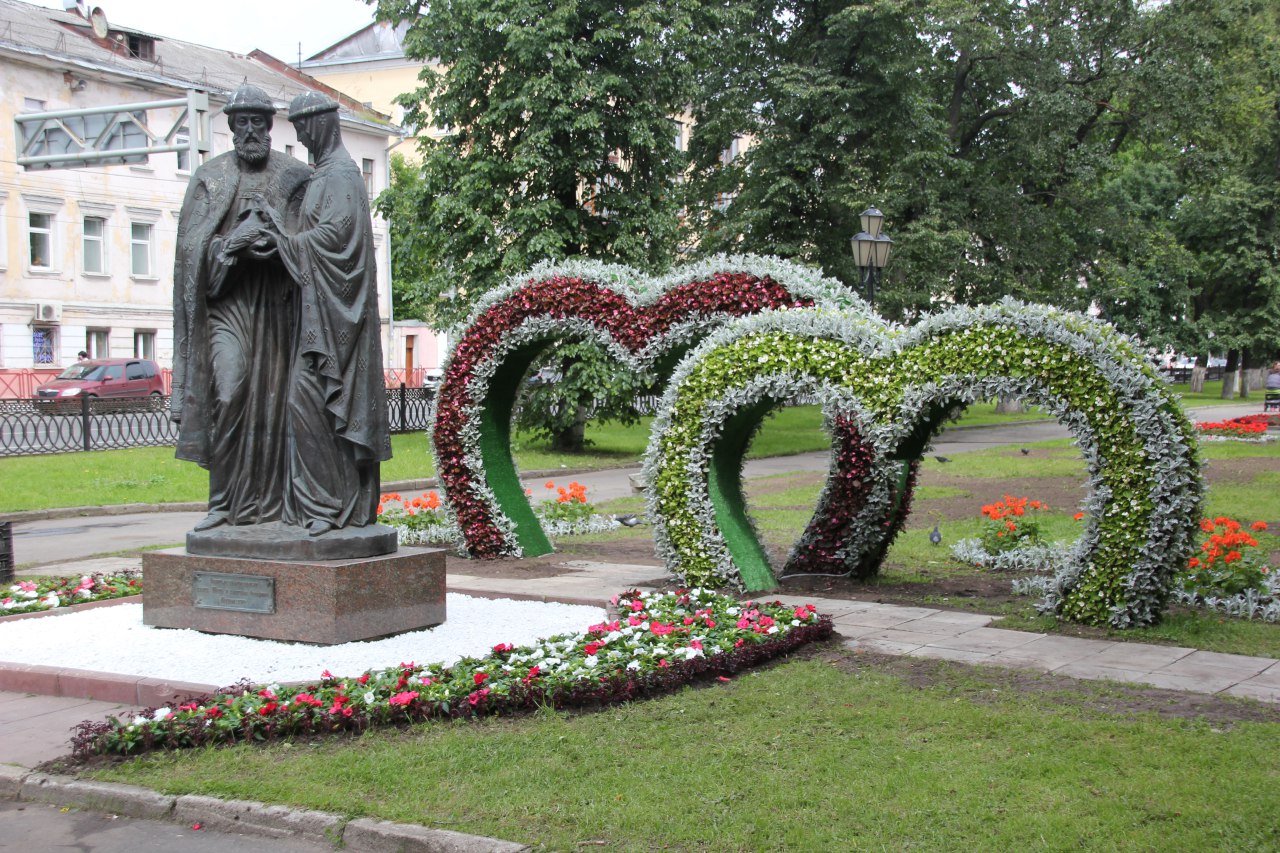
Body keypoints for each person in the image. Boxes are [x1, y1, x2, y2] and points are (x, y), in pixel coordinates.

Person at [171, 84, 311, 532]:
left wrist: (279, 247)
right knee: (229, 392)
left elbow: (315, 240)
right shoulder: (209, 177)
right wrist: (231, 245)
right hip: (227, 307)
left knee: (280, 405)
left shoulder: (295, 176)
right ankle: (224, 502)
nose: (250, 130)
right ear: (230, 127)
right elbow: (190, 252)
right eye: (241, 122)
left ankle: (279, 504)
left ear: (271, 127)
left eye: (258, 122)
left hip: (279, 309)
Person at [252, 92, 390, 535]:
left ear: (323, 124)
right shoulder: (324, 175)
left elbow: (338, 241)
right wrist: (284, 231)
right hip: (319, 316)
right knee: (304, 404)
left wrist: (286, 238)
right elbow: (320, 234)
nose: (302, 136)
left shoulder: (343, 175)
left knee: (309, 403)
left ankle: (332, 507)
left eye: (304, 127)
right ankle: (317, 506)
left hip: (337, 321)